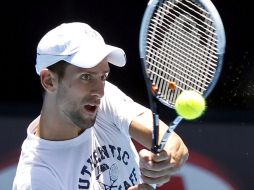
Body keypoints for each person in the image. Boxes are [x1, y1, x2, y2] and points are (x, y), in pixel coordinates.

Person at [12, 22, 188, 190]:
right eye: (86, 77)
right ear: (49, 81)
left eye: (103, 77)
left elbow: (172, 143)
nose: (100, 91)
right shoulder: (36, 179)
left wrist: (164, 162)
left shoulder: (102, 101)